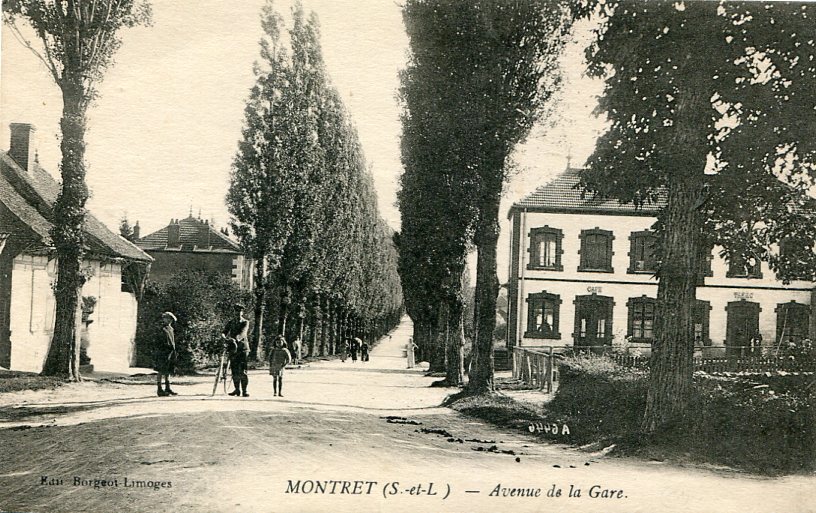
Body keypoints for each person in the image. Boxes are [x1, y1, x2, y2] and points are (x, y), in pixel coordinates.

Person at [222, 303, 250, 397]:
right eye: (236, 311)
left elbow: (243, 333)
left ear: (242, 312)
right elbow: (224, 332)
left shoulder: (245, 322)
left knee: (243, 371)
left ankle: (244, 390)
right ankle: (237, 389)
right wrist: (224, 338)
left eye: (240, 311)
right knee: (234, 370)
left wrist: (236, 339)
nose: (238, 313)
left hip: (242, 348)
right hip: (233, 348)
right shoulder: (231, 322)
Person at [154, 312, 178, 397]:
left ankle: (168, 388)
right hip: (162, 352)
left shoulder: (170, 329)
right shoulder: (161, 329)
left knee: (168, 370)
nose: (168, 320)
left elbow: (172, 341)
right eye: (166, 318)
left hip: (170, 352)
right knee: (161, 370)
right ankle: (159, 389)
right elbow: (159, 341)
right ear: (163, 319)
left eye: (170, 319)